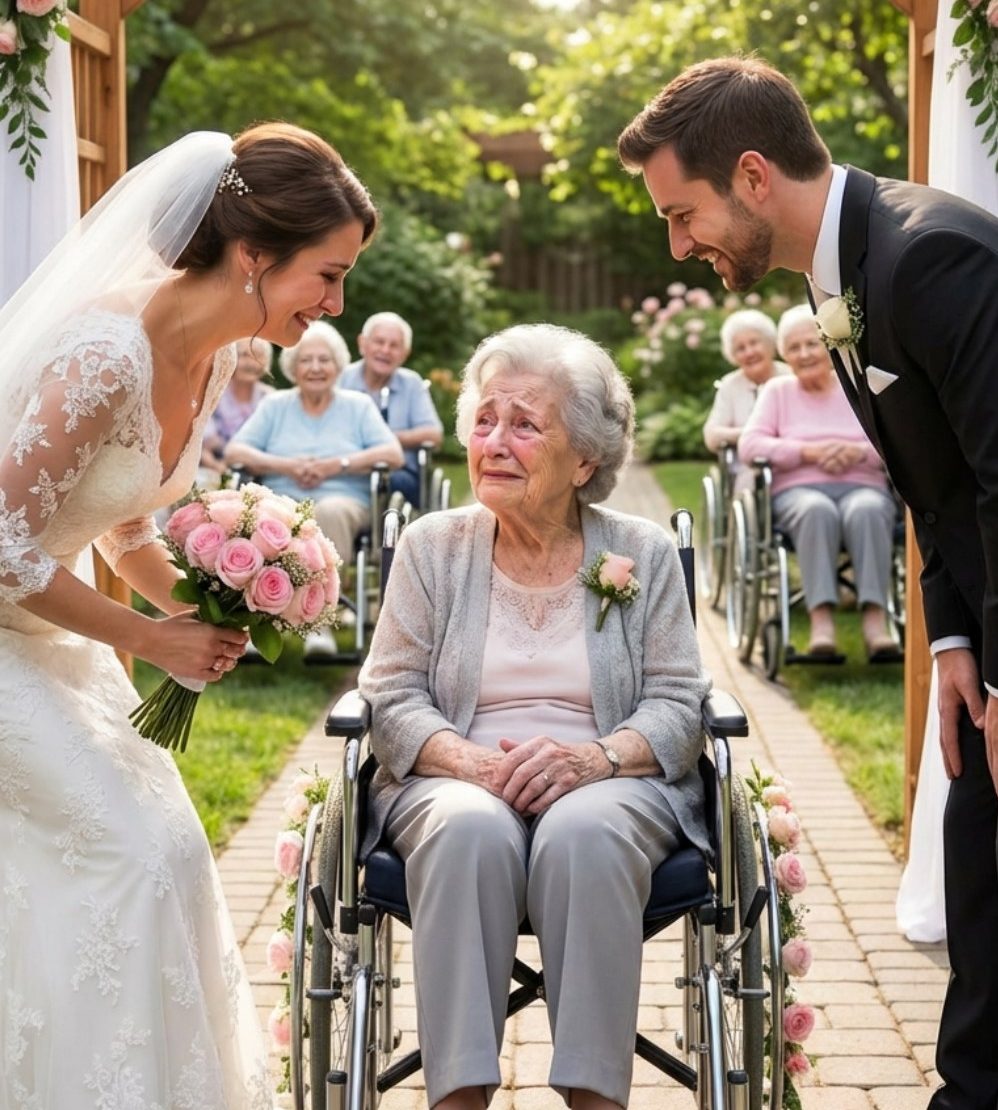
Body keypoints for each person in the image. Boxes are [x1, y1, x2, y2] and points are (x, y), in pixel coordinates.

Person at [618, 55, 998, 1109]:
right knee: (979, 887)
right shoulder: (840, 269)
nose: (677, 244)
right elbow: (937, 481)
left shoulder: (929, 258)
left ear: (749, 175)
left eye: (679, 213)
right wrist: (957, 645)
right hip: (984, 637)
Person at [0, 122, 377, 1106]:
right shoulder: (103, 355)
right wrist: (150, 638)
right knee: (127, 851)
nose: (337, 304)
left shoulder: (210, 359)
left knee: (166, 843)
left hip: (56, 647)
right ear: (254, 255)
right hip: (11, 645)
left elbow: (124, 531)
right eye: (326, 276)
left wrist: (212, 602)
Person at [358, 323, 710, 1110]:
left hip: (612, 778)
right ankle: (458, 1095)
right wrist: (476, 766)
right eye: (485, 421)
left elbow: (680, 706)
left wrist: (591, 761)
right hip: (455, 778)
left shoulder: (641, 553)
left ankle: (594, 1097)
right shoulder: (431, 547)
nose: (495, 442)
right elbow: (391, 695)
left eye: (525, 424)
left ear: (585, 459)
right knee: (468, 829)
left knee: (584, 832)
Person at [738, 304, 899, 658]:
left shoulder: (856, 387)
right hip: (799, 493)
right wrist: (808, 453)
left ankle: (875, 622)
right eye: (793, 348)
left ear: (828, 345)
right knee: (816, 510)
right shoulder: (777, 392)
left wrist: (857, 452)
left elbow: (894, 443)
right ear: (784, 355)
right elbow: (750, 445)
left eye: (811, 344)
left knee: (869, 509)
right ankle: (821, 623)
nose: (804, 354)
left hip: (862, 485)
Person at [224, 319, 403, 563]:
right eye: (306, 360)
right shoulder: (274, 405)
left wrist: (337, 465)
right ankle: (274, 594)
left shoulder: (358, 405)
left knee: (329, 511)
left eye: (324, 360)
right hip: (282, 496)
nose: (315, 368)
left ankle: (329, 594)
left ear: (338, 366)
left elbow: (393, 454)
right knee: (273, 513)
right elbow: (235, 451)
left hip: (344, 500)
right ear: (293, 369)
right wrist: (285, 466)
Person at [340, 310, 444, 507]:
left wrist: (384, 441)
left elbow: (434, 435)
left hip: (398, 472)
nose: (385, 350)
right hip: (347, 469)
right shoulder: (341, 378)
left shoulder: (411, 383)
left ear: (404, 354)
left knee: (382, 482)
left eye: (394, 345)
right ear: (363, 344)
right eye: (379, 342)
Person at [703, 307, 788, 491]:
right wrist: (750, 435)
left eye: (754, 343)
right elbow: (712, 436)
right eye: (740, 348)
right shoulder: (729, 386)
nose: (749, 352)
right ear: (733, 355)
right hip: (748, 468)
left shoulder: (790, 376)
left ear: (769, 343)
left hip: (790, 462)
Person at [199, 335, 275, 481]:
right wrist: (222, 470)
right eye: (245, 355)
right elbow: (203, 445)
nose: (251, 363)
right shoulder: (213, 394)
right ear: (231, 358)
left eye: (258, 356)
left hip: (259, 472)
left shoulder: (270, 398)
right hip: (214, 469)